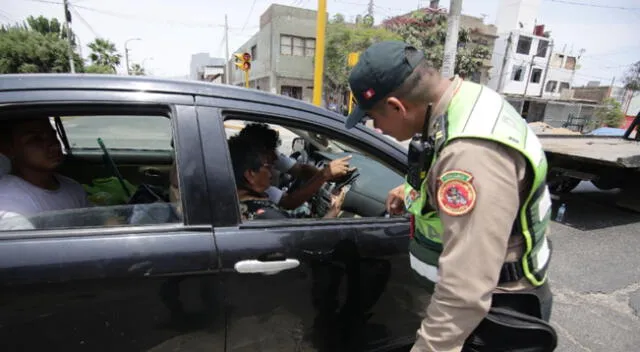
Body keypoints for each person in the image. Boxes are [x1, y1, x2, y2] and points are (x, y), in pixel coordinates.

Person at [344, 41, 556, 351]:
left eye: (374, 117)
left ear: (396, 106)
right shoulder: (467, 100)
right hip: (492, 305)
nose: (376, 127)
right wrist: (419, 189)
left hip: (495, 316)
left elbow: (465, 292)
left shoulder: (469, 155)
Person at [228, 134, 347, 220]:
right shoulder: (267, 216)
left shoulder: (236, 203)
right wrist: (333, 212)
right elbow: (306, 243)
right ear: (250, 174)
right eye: (268, 166)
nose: (272, 173)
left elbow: (300, 171)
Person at [0, 117, 91, 219]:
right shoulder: (10, 204)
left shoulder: (72, 187)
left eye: (53, 135)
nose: (55, 146)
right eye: (36, 139)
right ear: (8, 149)